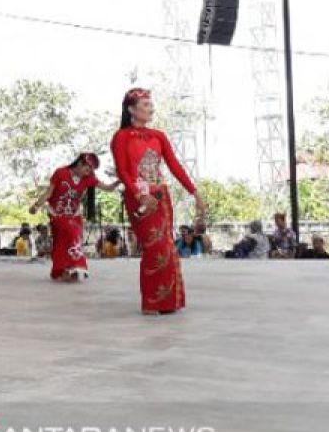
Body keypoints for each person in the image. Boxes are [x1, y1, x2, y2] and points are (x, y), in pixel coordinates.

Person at [110, 88, 208, 315]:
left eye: (150, 104)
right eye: (145, 104)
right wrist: (138, 194)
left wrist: (196, 194)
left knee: (166, 247)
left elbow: (174, 166)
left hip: (161, 198)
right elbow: (123, 171)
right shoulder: (121, 137)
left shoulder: (159, 136)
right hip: (140, 199)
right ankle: (152, 302)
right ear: (131, 109)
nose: (150, 108)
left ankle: (168, 301)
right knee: (154, 247)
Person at [29, 153, 119, 281]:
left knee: (70, 237)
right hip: (57, 213)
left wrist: (120, 180)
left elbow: (108, 188)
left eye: (91, 171)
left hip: (74, 214)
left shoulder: (89, 178)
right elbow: (49, 193)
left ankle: (68, 269)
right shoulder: (60, 173)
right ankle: (70, 267)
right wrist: (37, 205)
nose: (88, 173)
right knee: (66, 237)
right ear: (79, 163)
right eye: (87, 169)